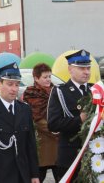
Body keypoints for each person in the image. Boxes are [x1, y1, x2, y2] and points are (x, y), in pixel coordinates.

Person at [0, 62, 39, 183]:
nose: (14, 89)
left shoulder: (24, 109)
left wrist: (34, 174)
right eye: (10, 84)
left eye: (17, 84)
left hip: (22, 175)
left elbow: (30, 145)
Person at [47, 49, 92, 182]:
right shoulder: (60, 91)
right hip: (71, 157)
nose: (87, 72)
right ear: (70, 69)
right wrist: (80, 120)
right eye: (81, 68)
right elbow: (53, 124)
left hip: (94, 156)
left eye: (88, 68)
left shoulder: (95, 90)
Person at [23, 63, 58, 182]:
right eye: (45, 77)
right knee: (37, 177)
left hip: (57, 145)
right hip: (42, 144)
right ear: (36, 78)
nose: (48, 79)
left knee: (62, 178)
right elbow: (36, 119)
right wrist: (58, 131)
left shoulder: (56, 91)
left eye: (49, 76)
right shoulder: (31, 93)